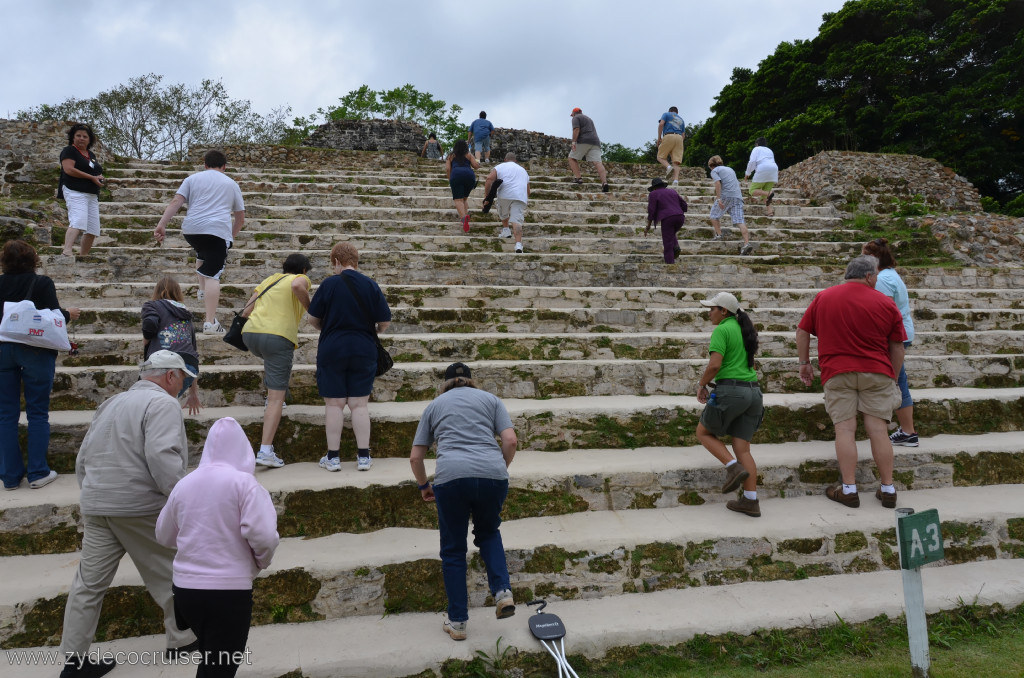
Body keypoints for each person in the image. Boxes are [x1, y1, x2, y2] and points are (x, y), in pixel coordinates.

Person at [58, 350, 198, 678]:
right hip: (138, 505)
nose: (181, 387)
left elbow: (83, 457)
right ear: (170, 376)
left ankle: (74, 663)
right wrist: (181, 500)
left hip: (97, 502)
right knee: (171, 569)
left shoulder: (111, 403)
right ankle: (183, 640)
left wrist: (93, 493)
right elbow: (163, 457)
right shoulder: (163, 404)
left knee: (88, 584)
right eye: (182, 379)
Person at [156, 417, 279, 678]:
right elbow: (265, 536)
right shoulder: (245, 485)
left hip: (186, 592)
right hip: (228, 593)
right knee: (221, 667)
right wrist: (260, 561)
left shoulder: (184, 484)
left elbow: (164, 535)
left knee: (212, 659)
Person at [409, 363, 517, 641]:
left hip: (451, 478)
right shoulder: (491, 400)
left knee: (454, 550)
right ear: (471, 381)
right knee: (489, 532)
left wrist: (423, 485)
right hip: (492, 475)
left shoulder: (435, 405)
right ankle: (503, 592)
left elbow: (416, 457)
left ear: (445, 384)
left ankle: (457, 622)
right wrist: (499, 467)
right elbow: (510, 440)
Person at [796, 255, 906, 509]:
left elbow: (802, 330)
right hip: (877, 372)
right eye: (876, 276)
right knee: (878, 430)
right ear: (869, 276)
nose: (877, 280)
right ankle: (888, 489)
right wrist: (893, 376)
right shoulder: (885, 303)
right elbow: (897, 346)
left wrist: (804, 362)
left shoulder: (824, 297)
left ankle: (849, 489)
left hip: (838, 371)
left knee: (844, 429)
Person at [0, 239, 80, 491]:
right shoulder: (42, 283)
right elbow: (52, 319)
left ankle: (10, 477)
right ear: (33, 260)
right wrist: (69, 314)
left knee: (5, 415)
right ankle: (37, 472)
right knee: (37, 412)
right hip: (36, 351)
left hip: (2, 350)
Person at [307, 243, 391, 472]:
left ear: (336, 261)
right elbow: (384, 322)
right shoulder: (370, 285)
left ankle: (333, 458)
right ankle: (363, 457)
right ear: (356, 261)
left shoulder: (329, 284)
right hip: (364, 348)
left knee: (334, 404)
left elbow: (313, 319)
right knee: (359, 404)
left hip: (332, 348)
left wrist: (329, 327)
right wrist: (374, 332)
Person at [153, 150, 245, 335]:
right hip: (217, 230)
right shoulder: (231, 183)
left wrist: (161, 225)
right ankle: (210, 323)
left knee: (203, 253)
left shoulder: (192, 179)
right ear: (224, 166)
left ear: (204, 165)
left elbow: (176, 202)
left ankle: (202, 291)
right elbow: (240, 217)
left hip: (192, 230)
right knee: (213, 274)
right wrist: (230, 237)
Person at [694, 293, 764, 517]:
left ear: (723, 311)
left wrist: (702, 384)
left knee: (703, 432)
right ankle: (750, 501)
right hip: (753, 393)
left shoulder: (722, 330)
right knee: (742, 447)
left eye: (712, 308)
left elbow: (715, 365)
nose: (709, 312)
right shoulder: (744, 330)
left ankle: (733, 468)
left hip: (732, 391)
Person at [241, 253, 313, 468]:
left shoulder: (268, 280)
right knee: (275, 399)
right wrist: (312, 309)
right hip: (278, 336)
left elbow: (246, 311)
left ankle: (277, 392)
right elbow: (299, 287)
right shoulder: (300, 279)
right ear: (304, 270)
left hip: (250, 335)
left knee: (274, 367)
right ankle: (265, 451)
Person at [863, 238, 918, 447]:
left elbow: (881, 310)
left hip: (894, 336)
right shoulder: (890, 275)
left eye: (864, 255)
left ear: (873, 257)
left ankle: (908, 431)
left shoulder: (883, 279)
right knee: (898, 380)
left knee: (898, 381)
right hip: (901, 333)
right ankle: (906, 430)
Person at [141, 276, 201, 416]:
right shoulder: (186, 315)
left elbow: (149, 323)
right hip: (189, 368)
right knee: (163, 405)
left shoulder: (152, 306)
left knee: (147, 404)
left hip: (163, 364)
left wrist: (146, 339)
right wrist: (193, 392)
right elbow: (193, 353)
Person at [59, 123, 105, 257]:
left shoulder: (91, 155)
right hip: (74, 191)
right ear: (72, 137)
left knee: (92, 228)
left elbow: (95, 172)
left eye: (85, 136)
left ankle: (83, 255)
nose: (81, 138)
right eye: (78, 135)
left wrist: (99, 178)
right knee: (78, 220)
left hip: (91, 194)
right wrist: (92, 177)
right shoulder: (69, 151)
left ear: (89, 139)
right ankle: (67, 251)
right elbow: (69, 169)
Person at [484, 153, 530, 253]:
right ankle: (518, 245)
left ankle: (506, 229)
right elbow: (528, 191)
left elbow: (489, 179)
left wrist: (487, 196)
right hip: (520, 196)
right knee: (517, 221)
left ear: (505, 159)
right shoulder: (523, 170)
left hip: (505, 194)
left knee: (502, 211)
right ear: (515, 161)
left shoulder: (500, 166)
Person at [707, 155, 752, 255]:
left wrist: (719, 198)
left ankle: (719, 235)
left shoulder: (715, 171)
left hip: (726, 196)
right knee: (740, 221)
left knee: (714, 216)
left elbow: (718, 184)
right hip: (737, 196)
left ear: (711, 165)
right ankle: (746, 243)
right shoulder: (730, 169)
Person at [645, 178, 688, 264]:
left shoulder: (653, 194)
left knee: (667, 242)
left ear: (654, 188)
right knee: (671, 234)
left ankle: (669, 264)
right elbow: (684, 205)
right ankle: (675, 246)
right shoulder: (672, 191)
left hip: (668, 218)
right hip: (680, 217)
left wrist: (648, 226)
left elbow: (651, 210)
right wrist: (678, 211)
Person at [568, 107, 609, 192]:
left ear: (573, 113)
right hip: (595, 142)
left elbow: (576, 129)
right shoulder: (589, 119)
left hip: (584, 140)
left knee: (571, 158)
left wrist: (573, 142)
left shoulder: (576, 118)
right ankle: (604, 183)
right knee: (598, 162)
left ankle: (578, 178)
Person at [446, 139, 481, 233]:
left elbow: (448, 169)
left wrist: (450, 179)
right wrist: (478, 163)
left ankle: (464, 218)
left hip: (456, 175)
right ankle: (465, 215)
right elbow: (475, 166)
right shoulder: (469, 154)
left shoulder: (450, 156)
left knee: (458, 199)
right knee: (464, 199)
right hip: (469, 176)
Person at [744, 137, 779, 217]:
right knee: (765, 193)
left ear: (757, 144)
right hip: (773, 169)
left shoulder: (756, 149)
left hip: (763, 168)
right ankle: (770, 212)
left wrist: (747, 173)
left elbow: (752, 161)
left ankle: (769, 193)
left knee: (752, 190)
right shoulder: (769, 150)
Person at [657, 106, 686, 185]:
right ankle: (676, 181)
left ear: (670, 111)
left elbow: (661, 124)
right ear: (677, 112)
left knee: (660, 157)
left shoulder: (666, 114)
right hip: (680, 138)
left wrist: (659, 138)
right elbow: (683, 135)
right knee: (676, 162)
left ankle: (668, 167)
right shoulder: (681, 120)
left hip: (669, 135)